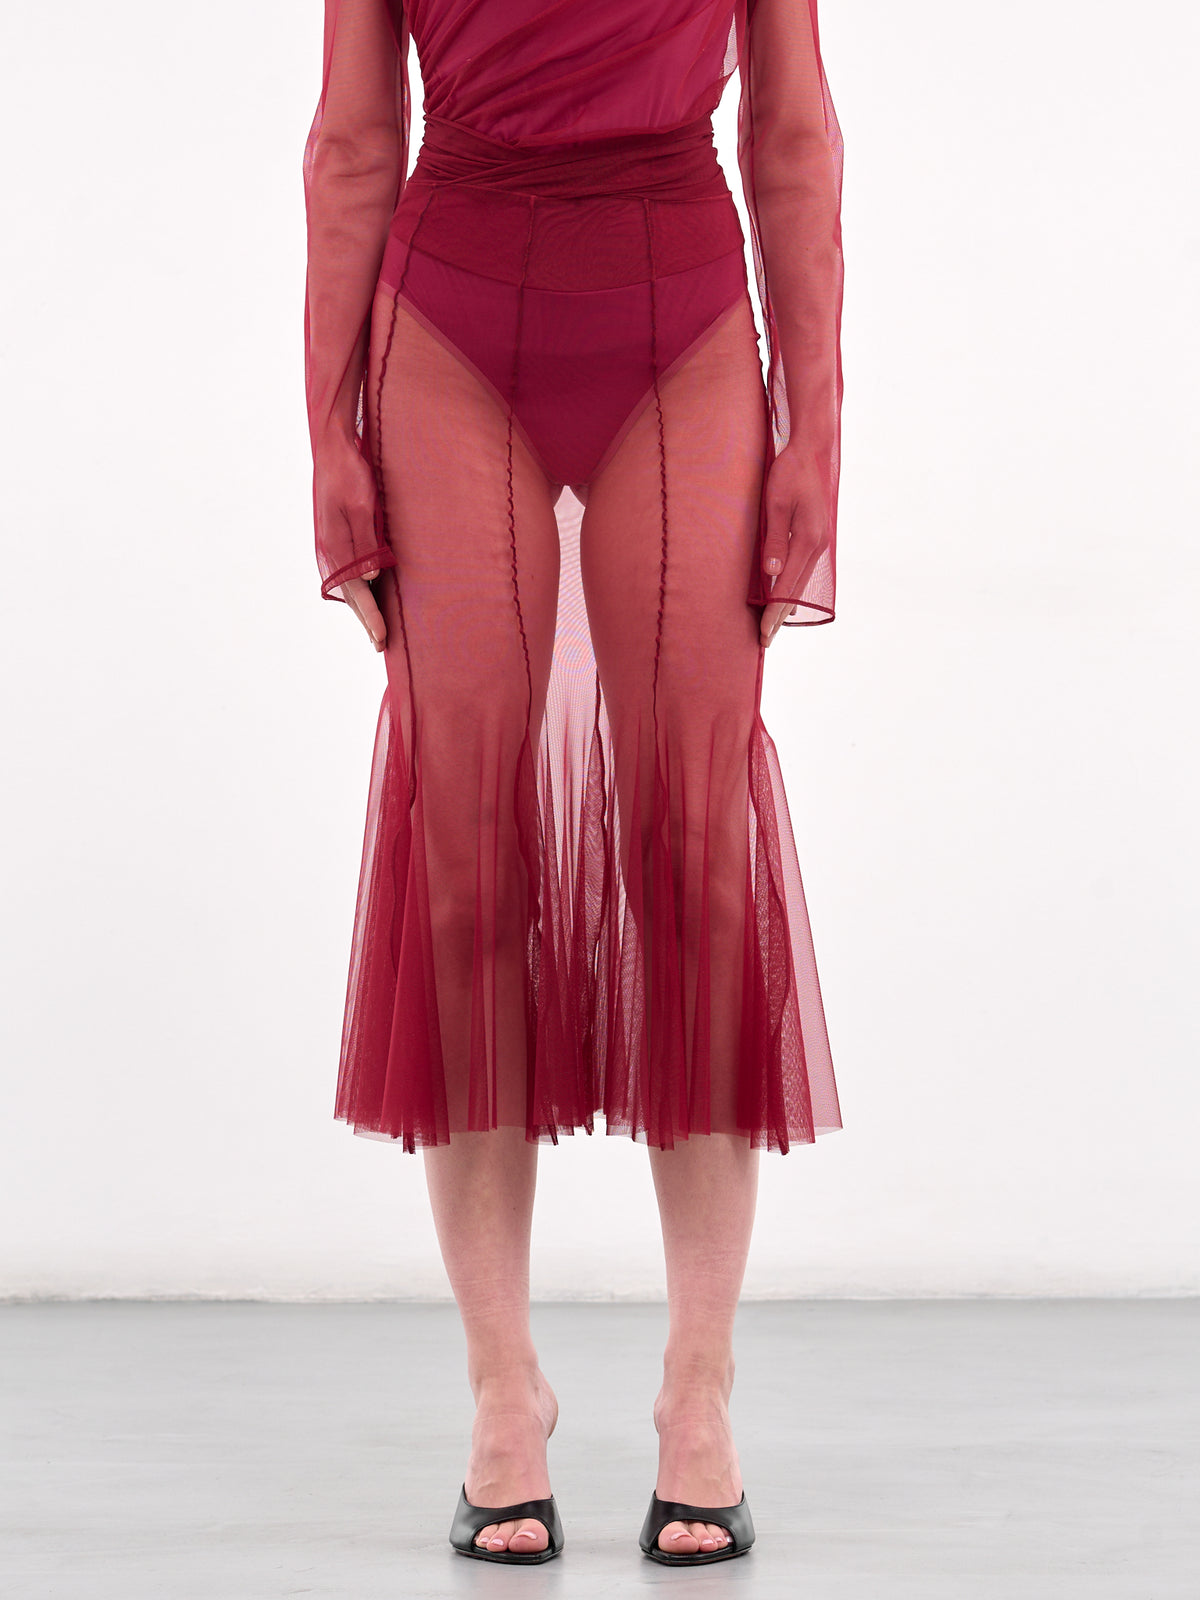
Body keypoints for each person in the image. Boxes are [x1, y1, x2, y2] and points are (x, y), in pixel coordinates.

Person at [302, 0, 845, 1567]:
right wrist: (328, 435)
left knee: (697, 847)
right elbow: (353, 142)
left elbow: (792, 132)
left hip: (683, 316)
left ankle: (699, 1390)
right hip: (446, 324)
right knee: (465, 851)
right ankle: (502, 1395)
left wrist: (815, 431)